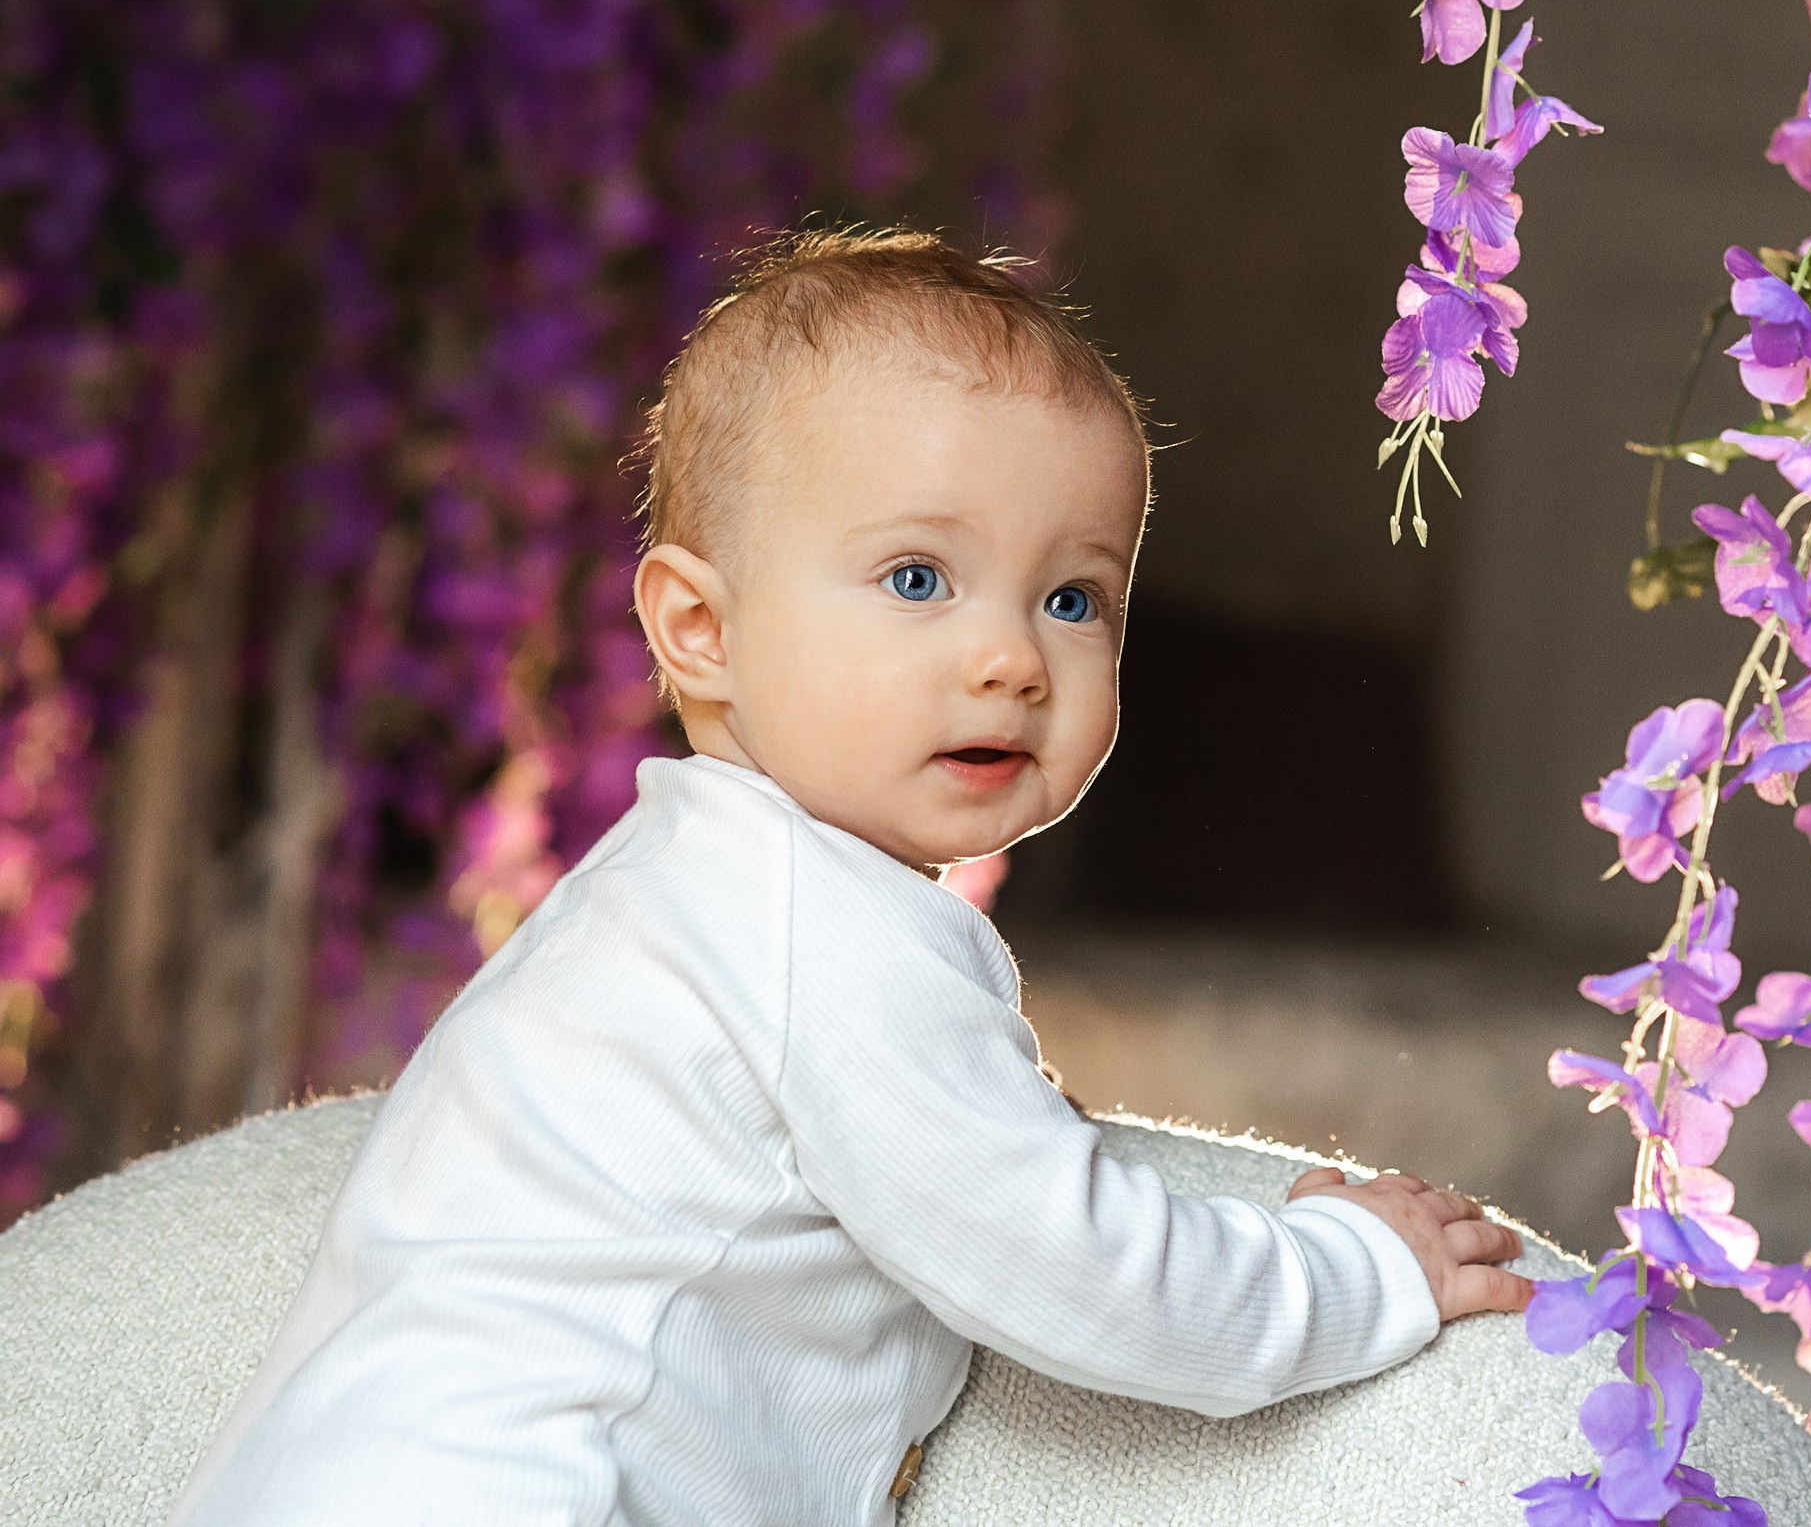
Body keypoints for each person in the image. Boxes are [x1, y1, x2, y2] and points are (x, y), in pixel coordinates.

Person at [170, 229, 1531, 1526]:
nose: (1011, 655)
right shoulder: (821, 929)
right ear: (700, 629)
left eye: (1074, 597)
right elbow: (1083, 1271)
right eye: (919, 575)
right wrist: (1358, 1271)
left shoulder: (682, 886)